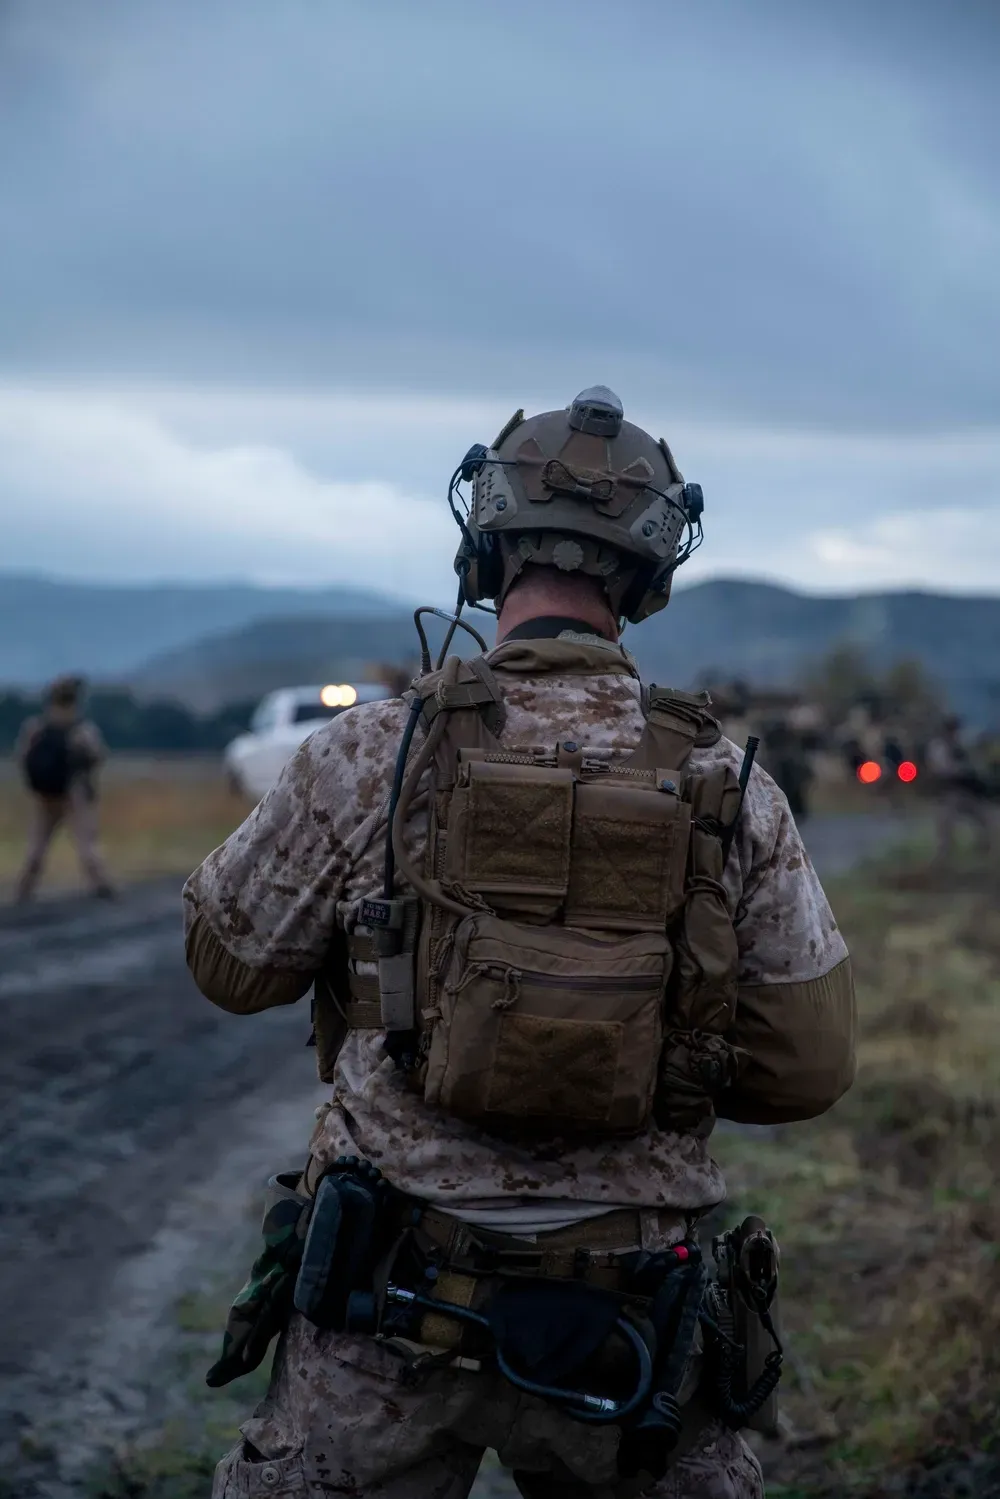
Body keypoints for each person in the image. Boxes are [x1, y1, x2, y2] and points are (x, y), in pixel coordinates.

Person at [184, 387, 856, 1499]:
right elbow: (808, 1066)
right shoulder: (729, 783)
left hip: (384, 1305)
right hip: (628, 1311)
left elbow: (230, 963)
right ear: (646, 576)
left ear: (482, 546)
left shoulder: (367, 752)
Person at [14, 675, 114, 903]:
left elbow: (21, 757)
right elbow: (98, 756)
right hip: (73, 794)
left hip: (45, 796)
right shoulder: (82, 730)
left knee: (36, 848)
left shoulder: (36, 727)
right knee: (87, 847)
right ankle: (102, 888)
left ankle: (23, 891)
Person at [925, 714, 992, 857]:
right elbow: (942, 769)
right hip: (947, 790)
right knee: (945, 826)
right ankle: (944, 856)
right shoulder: (939, 746)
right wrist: (963, 769)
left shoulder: (959, 744)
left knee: (983, 821)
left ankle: (983, 850)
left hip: (964, 790)